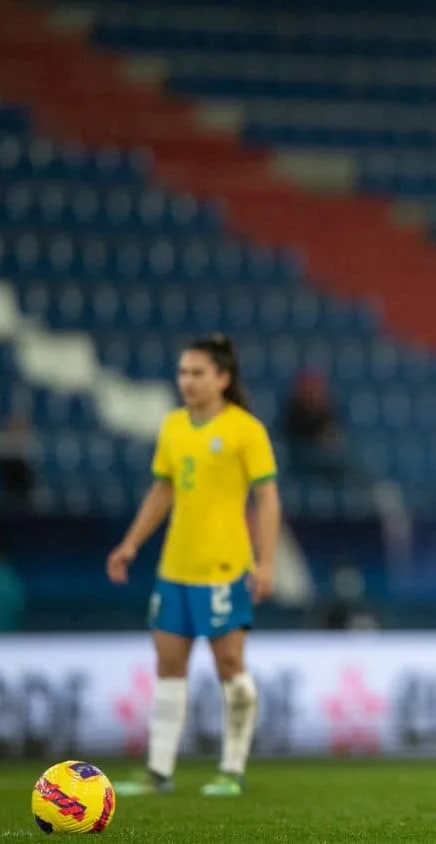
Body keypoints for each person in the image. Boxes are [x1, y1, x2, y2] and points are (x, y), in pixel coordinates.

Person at [106, 334, 281, 798]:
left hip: (223, 568)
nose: (187, 380)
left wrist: (266, 563)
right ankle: (158, 771)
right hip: (175, 567)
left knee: (230, 665)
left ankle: (232, 769)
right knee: (168, 666)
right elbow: (163, 490)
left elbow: (266, 497)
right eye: (183, 371)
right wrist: (131, 544)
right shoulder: (173, 428)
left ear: (222, 378)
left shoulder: (246, 430)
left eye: (197, 372)